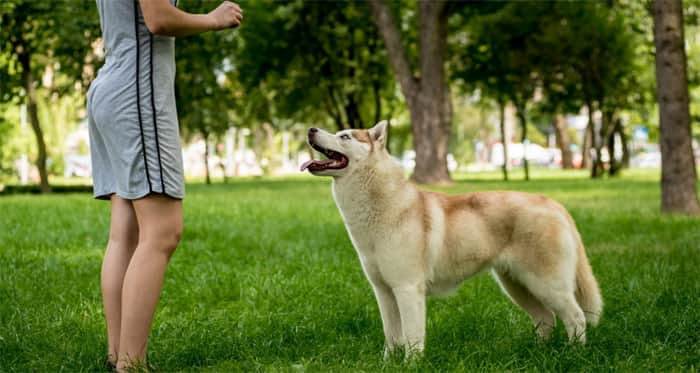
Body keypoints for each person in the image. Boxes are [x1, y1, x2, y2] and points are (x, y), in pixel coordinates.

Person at [86, 0, 242, 370]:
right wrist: (213, 20)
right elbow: (158, 19)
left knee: (125, 233)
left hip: (113, 88)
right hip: (136, 98)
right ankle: (131, 365)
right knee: (162, 232)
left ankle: (118, 357)